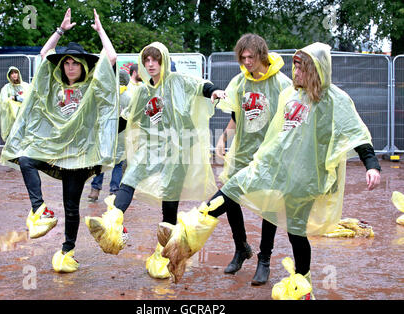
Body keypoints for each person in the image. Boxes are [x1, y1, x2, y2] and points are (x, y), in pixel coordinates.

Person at [162, 42, 381, 298]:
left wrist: (372, 165)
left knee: (296, 233)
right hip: (272, 166)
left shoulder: (335, 99)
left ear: (314, 69)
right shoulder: (292, 95)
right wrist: (255, 154)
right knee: (233, 187)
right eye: (295, 67)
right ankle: (187, 235)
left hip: (305, 179)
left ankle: (302, 284)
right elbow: (277, 134)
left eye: (300, 68)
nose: (295, 73)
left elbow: (356, 134)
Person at [85, 41, 226, 275]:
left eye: (155, 59)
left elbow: (202, 86)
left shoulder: (178, 81)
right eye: (146, 60)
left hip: (179, 147)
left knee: (169, 200)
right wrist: (103, 132)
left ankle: (164, 253)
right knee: (131, 175)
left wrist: (215, 91)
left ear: (163, 60)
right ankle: (112, 222)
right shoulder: (143, 91)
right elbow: (128, 117)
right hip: (152, 147)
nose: (150, 64)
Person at [0, 8, 119, 273]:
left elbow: (111, 57)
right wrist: (60, 30)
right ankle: (39, 209)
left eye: (75, 62)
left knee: (71, 206)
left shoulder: (92, 86)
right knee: (26, 159)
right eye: (66, 62)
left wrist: (100, 31)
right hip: (53, 149)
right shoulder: (53, 84)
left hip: (80, 155)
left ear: (83, 65)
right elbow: (44, 56)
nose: (71, 66)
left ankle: (68, 251)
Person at [213, 34, 292, 275]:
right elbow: (237, 115)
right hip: (243, 152)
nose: (247, 61)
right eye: (243, 57)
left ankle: (264, 259)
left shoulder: (282, 84)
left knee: (269, 204)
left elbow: (292, 120)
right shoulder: (240, 82)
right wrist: (223, 138)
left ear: (262, 55)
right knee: (230, 196)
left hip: (270, 156)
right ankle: (241, 248)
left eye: (251, 57)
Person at [88, 70, 131, 201]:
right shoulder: (128, 97)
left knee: (101, 161)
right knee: (118, 164)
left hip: (106, 132)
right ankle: (114, 192)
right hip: (121, 133)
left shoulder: (108, 94)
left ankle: (95, 190)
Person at [0, 66, 30, 141]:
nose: (14, 75)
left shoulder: (26, 86)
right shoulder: (6, 88)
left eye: (15, 72)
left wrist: (16, 98)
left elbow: (29, 98)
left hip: (24, 115)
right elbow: (3, 101)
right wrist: (11, 100)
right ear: (9, 76)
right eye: (12, 73)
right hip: (11, 117)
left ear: (19, 74)